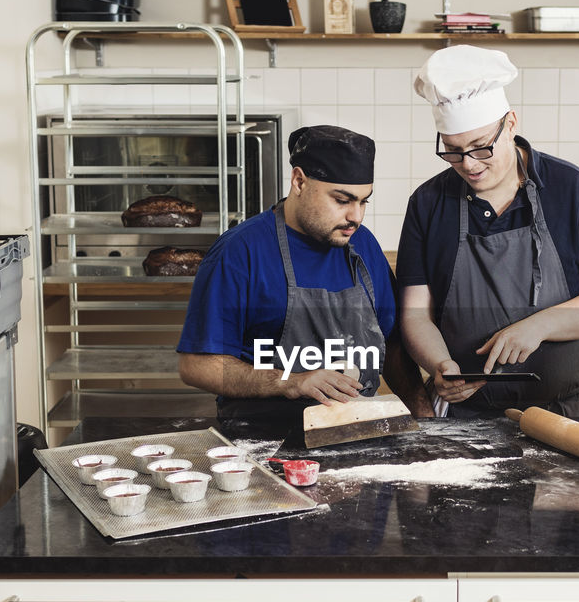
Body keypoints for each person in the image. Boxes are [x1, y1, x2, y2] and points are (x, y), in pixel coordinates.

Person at [397, 45, 579, 418]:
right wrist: (440, 364)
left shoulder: (570, 189)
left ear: (510, 125)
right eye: (453, 151)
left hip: (566, 416)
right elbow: (414, 315)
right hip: (466, 419)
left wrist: (538, 326)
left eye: (480, 147)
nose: (469, 165)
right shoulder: (428, 204)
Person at [178, 125, 429, 420]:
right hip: (264, 439)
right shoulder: (239, 252)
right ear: (299, 181)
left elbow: (394, 346)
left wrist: (426, 419)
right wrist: (292, 381)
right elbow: (196, 365)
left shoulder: (364, 246)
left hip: (354, 435)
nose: (356, 217)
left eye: (364, 201)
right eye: (342, 200)